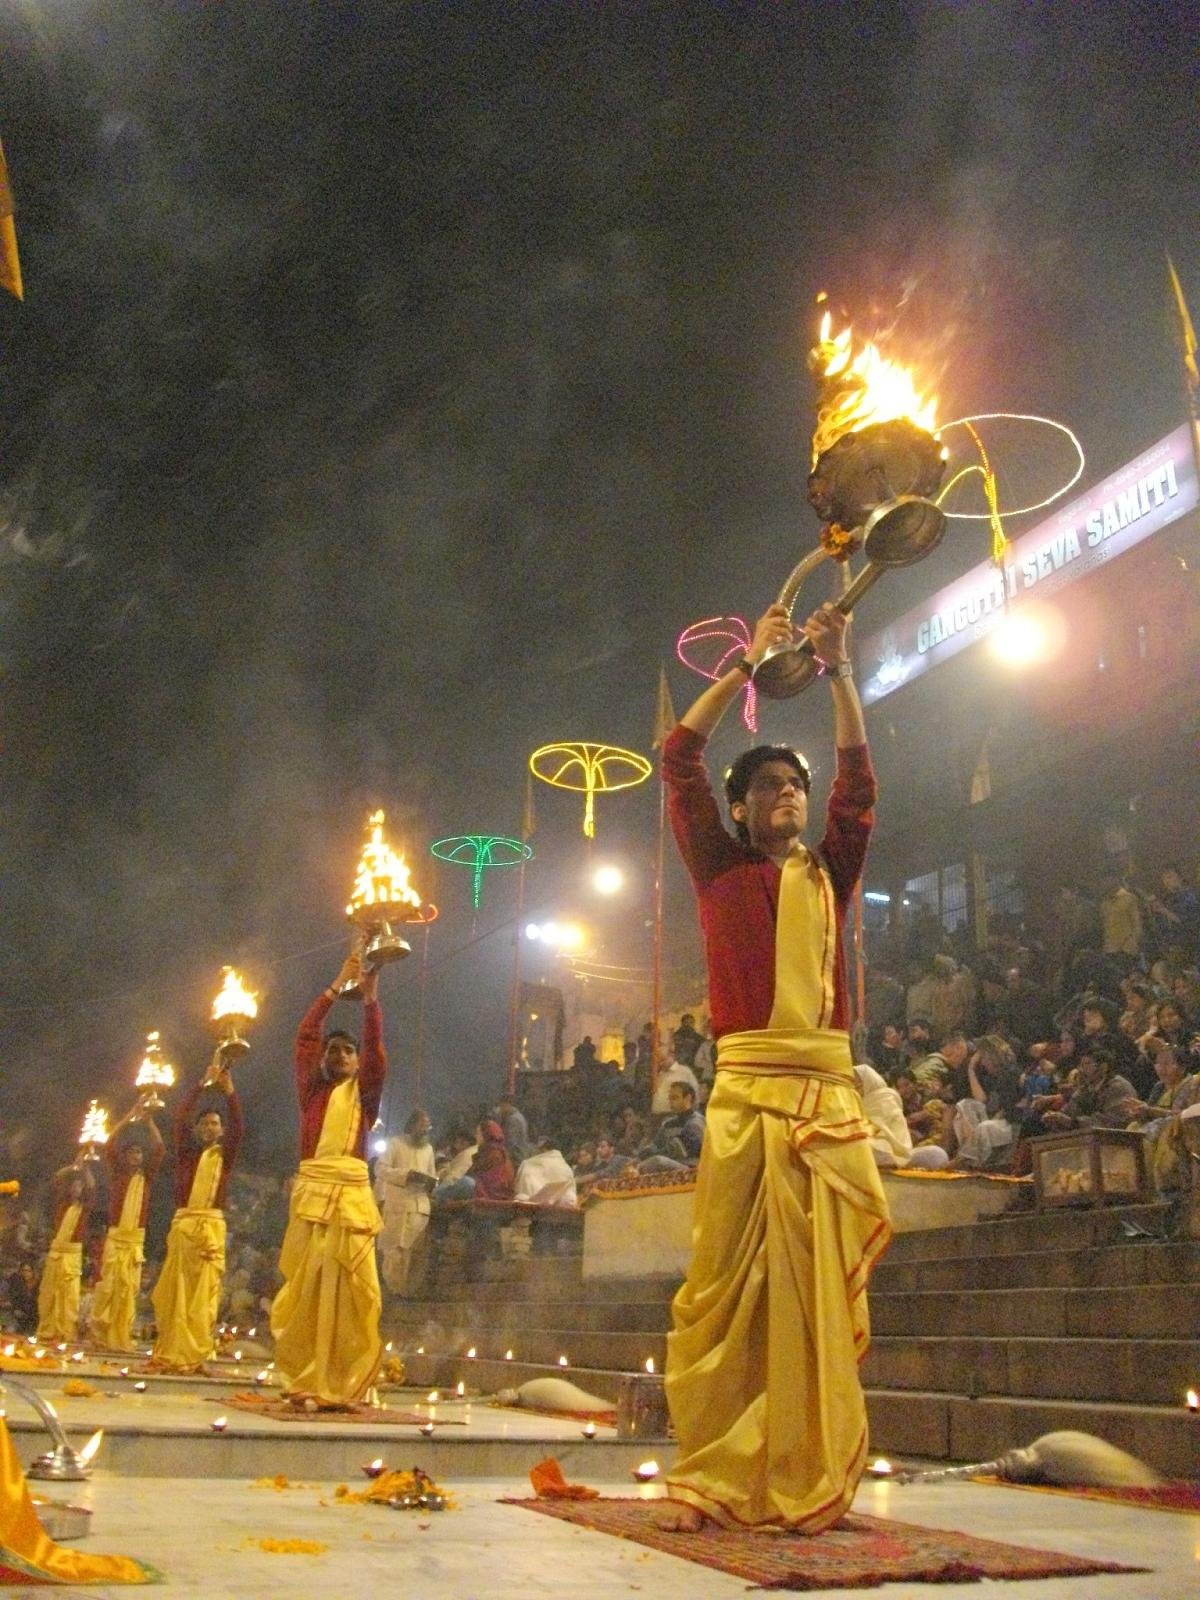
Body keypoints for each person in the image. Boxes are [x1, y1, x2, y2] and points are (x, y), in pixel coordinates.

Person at [658, 601, 889, 1534]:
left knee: (818, 1305)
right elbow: (679, 760)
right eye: (771, 787)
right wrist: (747, 671)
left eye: (797, 784)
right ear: (743, 808)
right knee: (724, 1286)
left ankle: (804, 1462)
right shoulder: (718, 868)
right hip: (748, 1099)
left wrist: (838, 674)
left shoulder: (830, 873)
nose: (791, 794)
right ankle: (721, 1463)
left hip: (826, 1101)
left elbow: (859, 789)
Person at [269, 950, 387, 1407]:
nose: (339, 1053)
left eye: (347, 1049)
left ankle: (344, 1377)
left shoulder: (366, 1097)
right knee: (306, 1290)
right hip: (314, 1197)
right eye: (332, 1049)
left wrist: (371, 1001)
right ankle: (305, 1376)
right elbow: (304, 1035)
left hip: (352, 1200)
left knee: (358, 1291)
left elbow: (377, 1054)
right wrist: (338, 984)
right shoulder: (313, 1092)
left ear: (357, 1063)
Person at [149, 1061, 243, 1371]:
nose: (209, 1128)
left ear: (221, 1130)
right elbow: (179, 1120)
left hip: (210, 1229)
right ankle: (174, 1349)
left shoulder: (223, 1157)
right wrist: (200, 1085)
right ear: (197, 1129)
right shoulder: (187, 1154)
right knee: (175, 1292)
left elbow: (239, 1128)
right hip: (185, 1225)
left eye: (215, 1124)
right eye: (204, 1124)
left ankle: (198, 1352)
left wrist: (230, 1093)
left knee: (204, 1295)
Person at [90, 1101, 164, 1351]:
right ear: (126, 1157)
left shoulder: (147, 1177)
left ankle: (120, 1336)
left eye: (139, 1153)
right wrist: (128, 1117)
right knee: (109, 1286)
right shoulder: (118, 1174)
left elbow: (160, 1149)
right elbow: (110, 1145)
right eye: (132, 1153)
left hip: (135, 1241)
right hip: (116, 1237)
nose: (136, 1156)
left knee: (127, 1290)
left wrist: (150, 1122)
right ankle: (100, 1335)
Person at [374, 1108, 437, 1295]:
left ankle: (408, 1293)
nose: (425, 1130)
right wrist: (405, 1175)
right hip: (398, 1208)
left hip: (419, 1209)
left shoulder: (429, 1149)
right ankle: (394, 1291)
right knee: (395, 1253)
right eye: (422, 1126)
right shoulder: (395, 1144)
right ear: (411, 1126)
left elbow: (432, 1175)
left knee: (414, 1253)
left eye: (428, 1127)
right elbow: (380, 1169)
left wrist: (429, 1182)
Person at [36, 1163, 95, 1344]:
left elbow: (92, 1187)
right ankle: (49, 1330)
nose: (75, 1189)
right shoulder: (62, 1203)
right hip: (56, 1252)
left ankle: (65, 1332)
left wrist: (85, 1170)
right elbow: (57, 1177)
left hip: (72, 1255)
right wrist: (74, 1165)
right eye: (73, 1186)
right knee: (49, 1294)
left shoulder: (83, 1208)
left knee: (68, 1296)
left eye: (79, 1186)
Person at [951, 1035, 1021, 1169]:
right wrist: (971, 1069)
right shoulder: (991, 1077)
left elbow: (1008, 1109)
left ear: (991, 1056)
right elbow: (981, 1100)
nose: (982, 1063)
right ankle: (967, 1157)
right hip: (996, 1119)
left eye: (983, 1057)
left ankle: (962, 1159)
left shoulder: (1010, 1074)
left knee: (985, 1127)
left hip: (1011, 1124)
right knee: (965, 1104)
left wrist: (980, 1128)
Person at [638, 1082, 706, 1172]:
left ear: (688, 1098)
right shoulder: (669, 1123)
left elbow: (680, 1150)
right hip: (670, 1163)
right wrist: (642, 1155)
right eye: (670, 1099)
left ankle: (636, 1170)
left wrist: (651, 1155)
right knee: (622, 1160)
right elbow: (655, 1144)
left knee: (658, 1161)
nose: (671, 1102)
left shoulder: (697, 1121)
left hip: (691, 1168)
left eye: (675, 1098)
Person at [494, 1092, 532, 1165]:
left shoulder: (512, 1120)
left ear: (507, 1104)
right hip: (521, 1154)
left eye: (501, 1105)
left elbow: (511, 1142)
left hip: (516, 1157)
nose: (500, 1109)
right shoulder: (519, 1116)